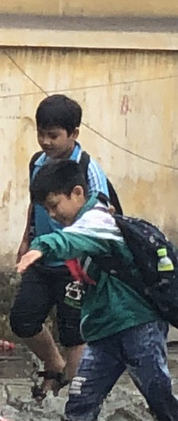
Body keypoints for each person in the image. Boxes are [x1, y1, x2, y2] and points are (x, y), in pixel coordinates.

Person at [16, 159, 178, 421]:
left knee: (158, 394)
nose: (52, 214)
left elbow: (73, 239)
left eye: (54, 205)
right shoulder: (86, 220)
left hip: (137, 325)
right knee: (79, 403)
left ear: (77, 193)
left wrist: (42, 247)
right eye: (45, 209)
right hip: (103, 334)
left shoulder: (98, 221)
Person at [13, 93, 114, 398]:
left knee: (73, 332)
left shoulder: (87, 168)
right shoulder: (38, 162)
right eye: (41, 134)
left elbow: (105, 215)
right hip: (42, 257)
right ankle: (53, 364)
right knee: (22, 319)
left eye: (53, 135)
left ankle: (75, 392)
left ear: (74, 134)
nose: (46, 141)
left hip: (76, 265)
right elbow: (35, 205)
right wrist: (26, 239)